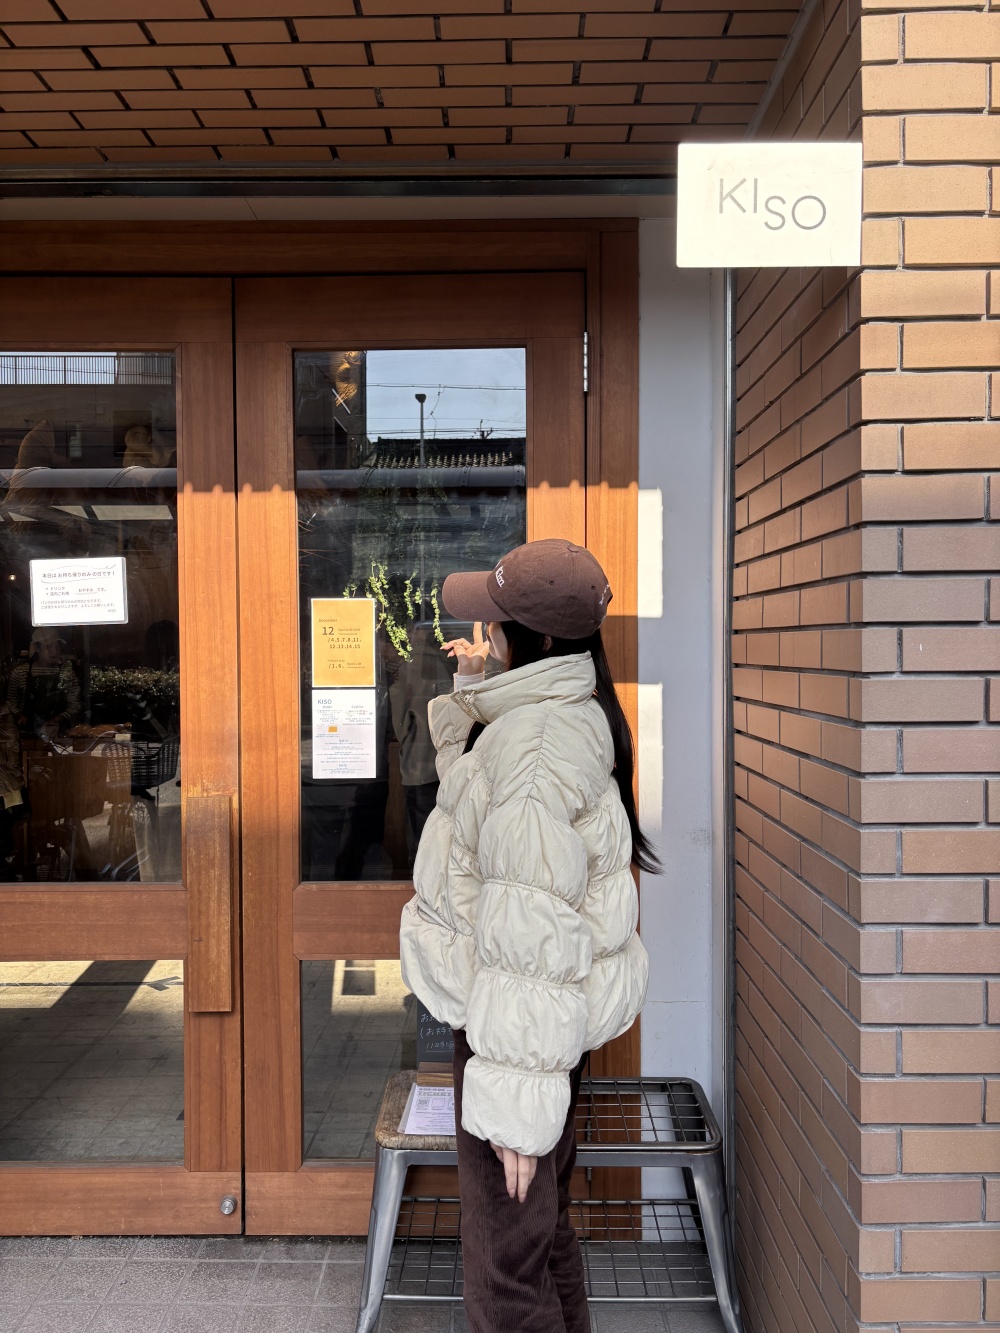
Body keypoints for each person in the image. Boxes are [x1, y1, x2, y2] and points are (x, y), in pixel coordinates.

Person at [399, 538, 657, 1333]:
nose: (487, 634)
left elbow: (528, 933)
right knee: (541, 1240)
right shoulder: (552, 722)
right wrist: (474, 692)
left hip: (516, 1032)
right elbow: (486, 815)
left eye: (497, 624)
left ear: (537, 638)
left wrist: (514, 1104)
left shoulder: (535, 755)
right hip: (536, 1032)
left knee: (506, 1274)